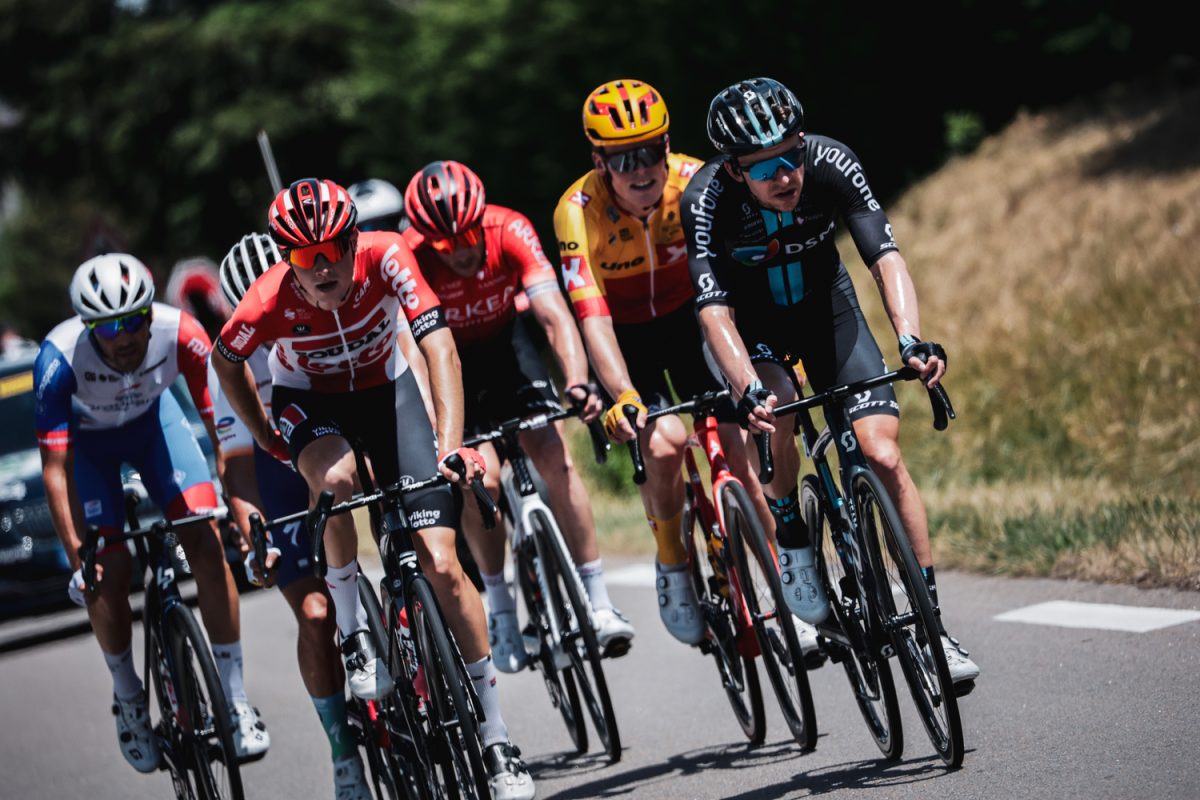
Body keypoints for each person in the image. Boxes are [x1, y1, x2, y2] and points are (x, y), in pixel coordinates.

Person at [210, 178, 535, 799]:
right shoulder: (266, 300)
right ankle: (356, 633)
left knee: (442, 562)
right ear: (286, 259)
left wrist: (451, 444)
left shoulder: (388, 255)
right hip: (311, 405)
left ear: (355, 240)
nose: (324, 267)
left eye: (335, 249)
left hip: (388, 392)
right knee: (335, 480)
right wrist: (265, 434)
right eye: (306, 256)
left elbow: (439, 347)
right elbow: (225, 364)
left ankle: (497, 740)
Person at [683, 76, 980, 688]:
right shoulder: (706, 199)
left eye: (791, 155)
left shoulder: (832, 162)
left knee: (882, 454)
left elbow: (884, 256)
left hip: (828, 312)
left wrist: (910, 339)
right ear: (735, 170)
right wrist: (746, 387)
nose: (785, 175)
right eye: (764, 167)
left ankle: (933, 630)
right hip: (752, 326)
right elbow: (713, 311)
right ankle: (791, 529)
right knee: (778, 406)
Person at [553, 78, 821, 656]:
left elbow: (739, 282)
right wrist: (623, 394)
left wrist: (769, 359)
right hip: (625, 338)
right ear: (598, 162)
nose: (640, 169)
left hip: (695, 321)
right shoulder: (576, 212)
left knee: (745, 448)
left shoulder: (697, 181)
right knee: (666, 442)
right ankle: (673, 559)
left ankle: (789, 601)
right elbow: (592, 318)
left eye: (650, 152)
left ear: (667, 146)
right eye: (622, 159)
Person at [34, 253, 267, 773]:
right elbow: (55, 471)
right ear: (87, 326)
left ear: (150, 314)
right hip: (91, 450)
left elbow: (222, 430)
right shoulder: (58, 359)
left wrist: (237, 506)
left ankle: (235, 701)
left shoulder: (181, 333)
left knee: (205, 541)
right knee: (107, 573)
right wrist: (78, 556)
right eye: (108, 327)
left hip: (155, 428)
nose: (124, 337)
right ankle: (130, 700)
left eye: (134, 320)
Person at [401, 160, 634, 673]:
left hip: (510, 348)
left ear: (481, 220)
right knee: (479, 480)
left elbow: (554, 314)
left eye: (467, 237)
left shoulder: (509, 228)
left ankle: (598, 602)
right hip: (452, 364)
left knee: (555, 456)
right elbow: (417, 354)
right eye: (444, 244)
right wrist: (439, 428)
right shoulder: (411, 256)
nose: (459, 252)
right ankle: (503, 611)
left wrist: (577, 380)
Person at [211, 232, 373, 799]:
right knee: (315, 613)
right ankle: (343, 751)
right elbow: (237, 468)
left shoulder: (327, 311)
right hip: (277, 474)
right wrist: (255, 535)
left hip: (340, 439)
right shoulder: (229, 358)